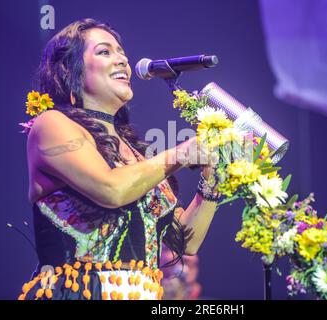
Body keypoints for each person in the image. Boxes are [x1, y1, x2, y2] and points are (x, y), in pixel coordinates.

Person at [18, 18, 221, 300]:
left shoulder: (137, 153)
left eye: (122, 53)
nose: (122, 61)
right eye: (105, 52)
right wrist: (179, 153)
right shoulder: (51, 124)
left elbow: (188, 242)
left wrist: (213, 178)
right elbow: (111, 190)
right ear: (71, 70)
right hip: (81, 291)